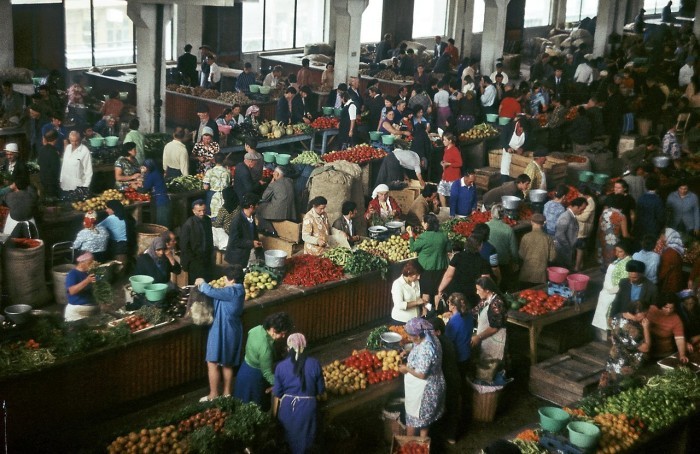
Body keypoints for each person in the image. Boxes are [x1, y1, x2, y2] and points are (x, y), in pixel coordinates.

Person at [196, 265, 246, 401]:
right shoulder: (240, 289)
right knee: (227, 363)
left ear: (232, 280)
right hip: (232, 328)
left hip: (223, 328)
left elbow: (210, 290)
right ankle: (227, 393)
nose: (224, 280)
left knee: (212, 361)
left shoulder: (232, 291)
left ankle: (213, 395)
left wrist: (201, 282)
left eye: (226, 278)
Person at [273, 333, 325, 454]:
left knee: (288, 443)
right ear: (305, 347)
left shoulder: (280, 367)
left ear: (288, 348)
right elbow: (321, 390)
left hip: (287, 410)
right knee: (306, 445)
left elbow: (278, 393)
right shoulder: (315, 363)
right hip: (308, 409)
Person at [234, 312, 294, 410]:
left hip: (244, 370)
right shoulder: (266, 349)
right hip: (254, 378)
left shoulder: (256, 329)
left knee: (241, 403)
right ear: (274, 330)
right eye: (282, 333)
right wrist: (281, 384)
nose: (283, 336)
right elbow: (267, 374)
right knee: (255, 408)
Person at [398, 317, 446, 438]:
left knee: (413, 420)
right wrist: (410, 352)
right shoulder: (429, 336)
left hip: (425, 392)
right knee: (425, 421)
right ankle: (423, 443)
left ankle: (410, 444)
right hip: (434, 385)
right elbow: (419, 348)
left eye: (410, 336)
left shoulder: (426, 349)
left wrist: (406, 368)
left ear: (418, 336)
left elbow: (422, 374)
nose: (409, 338)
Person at [598, 298, 652, 388]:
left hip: (614, 357)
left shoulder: (616, 317)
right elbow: (646, 348)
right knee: (624, 388)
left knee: (609, 385)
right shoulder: (634, 329)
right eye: (645, 314)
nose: (646, 317)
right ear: (638, 313)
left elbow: (612, 335)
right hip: (627, 363)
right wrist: (646, 328)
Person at [592, 239, 634, 338]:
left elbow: (624, 282)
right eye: (616, 251)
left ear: (626, 251)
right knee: (602, 314)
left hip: (614, 293)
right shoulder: (620, 260)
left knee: (609, 316)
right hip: (607, 290)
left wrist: (611, 290)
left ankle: (611, 337)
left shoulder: (628, 263)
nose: (617, 253)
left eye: (620, 251)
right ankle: (604, 335)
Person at [437, 236, 491, 308]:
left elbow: (448, 275)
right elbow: (485, 281)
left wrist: (440, 289)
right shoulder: (483, 262)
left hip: (456, 292)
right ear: (479, 246)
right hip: (472, 294)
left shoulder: (457, 257)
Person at [407, 214, 449, 306]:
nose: (422, 224)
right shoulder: (443, 235)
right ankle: (438, 312)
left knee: (426, 293)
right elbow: (449, 248)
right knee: (438, 291)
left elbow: (413, 248)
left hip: (427, 269)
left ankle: (426, 314)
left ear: (427, 224)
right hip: (440, 267)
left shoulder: (424, 237)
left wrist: (411, 236)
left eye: (423, 222)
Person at [441, 292, 473, 395]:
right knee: (463, 380)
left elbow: (448, 340)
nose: (448, 305)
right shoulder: (468, 315)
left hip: (457, 356)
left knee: (454, 385)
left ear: (453, 306)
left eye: (449, 303)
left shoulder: (454, 321)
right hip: (467, 353)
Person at [471, 276, 508, 363]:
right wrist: (457, 312)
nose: (477, 292)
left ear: (487, 290)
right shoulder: (484, 301)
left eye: (479, 290)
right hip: (486, 339)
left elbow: (494, 327)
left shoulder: (496, 304)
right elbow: (473, 312)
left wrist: (478, 337)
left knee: (494, 366)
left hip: (495, 340)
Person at [180, 199, 214, 284]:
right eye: (199, 211)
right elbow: (184, 245)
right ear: (194, 211)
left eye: (204, 210)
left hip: (206, 258)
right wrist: (192, 259)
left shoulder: (207, 220)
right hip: (195, 260)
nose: (202, 213)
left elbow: (210, 238)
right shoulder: (188, 225)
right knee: (197, 285)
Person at [647, 294, 688, 363]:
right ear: (660, 305)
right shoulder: (651, 310)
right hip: (647, 351)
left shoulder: (676, 319)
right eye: (665, 307)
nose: (668, 310)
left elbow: (679, 339)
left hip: (664, 353)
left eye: (671, 308)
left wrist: (682, 355)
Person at [519, 213, 556, 287]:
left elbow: (521, 255)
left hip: (526, 274)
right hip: (541, 276)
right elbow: (552, 258)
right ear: (543, 224)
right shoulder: (547, 238)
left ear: (531, 222)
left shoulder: (526, 237)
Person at [486, 204, 519, 287]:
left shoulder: (486, 226)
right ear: (504, 215)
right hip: (503, 263)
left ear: (491, 214)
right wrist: (515, 262)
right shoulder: (508, 229)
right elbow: (514, 250)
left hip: (487, 262)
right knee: (503, 286)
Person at [225, 193, 262, 268]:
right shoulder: (237, 221)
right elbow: (234, 241)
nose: (258, 207)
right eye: (257, 204)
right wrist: (251, 243)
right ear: (251, 206)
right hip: (237, 258)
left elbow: (253, 234)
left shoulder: (251, 217)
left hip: (247, 254)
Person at [257, 166, 296, 235]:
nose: (273, 174)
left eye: (274, 173)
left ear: (277, 174)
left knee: (259, 208)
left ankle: (270, 230)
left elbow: (264, 197)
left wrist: (271, 183)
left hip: (279, 214)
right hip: (290, 214)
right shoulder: (291, 181)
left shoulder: (274, 184)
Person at [64, 252, 99, 322]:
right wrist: (87, 281)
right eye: (90, 263)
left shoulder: (90, 273)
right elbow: (72, 291)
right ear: (81, 263)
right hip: (77, 309)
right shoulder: (73, 274)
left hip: (92, 308)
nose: (92, 265)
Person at [598, 194, 630, 270]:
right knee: (611, 263)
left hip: (602, 239)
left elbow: (600, 226)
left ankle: (603, 269)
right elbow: (625, 235)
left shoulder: (604, 212)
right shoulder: (621, 216)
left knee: (603, 260)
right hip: (613, 242)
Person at [99, 200, 136, 266]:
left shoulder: (111, 218)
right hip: (127, 243)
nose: (106, 210)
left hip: (117, 246)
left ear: (113, 209)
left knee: (118, 265)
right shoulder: (126, 215)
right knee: (122, 264)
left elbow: (97, 228)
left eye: (108, 208)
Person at [555, 196, 588, 268]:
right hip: (562, 250)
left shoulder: (571, 216)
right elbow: (559, 235)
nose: (582, 212)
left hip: (567, 249)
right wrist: (568, 246)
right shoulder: (565, 217)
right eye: (582, 209)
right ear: (576, 207)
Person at [140, 159, 170, 228]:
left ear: (148, 167)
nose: (142, 169)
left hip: (161, 201)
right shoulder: (155, 171)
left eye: (144, 167)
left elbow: (144, 189)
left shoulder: (152, 175)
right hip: (161, 199)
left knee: (161, 225)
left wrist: (135, 187)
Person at [501, 117, 531, 185]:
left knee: (517, 174)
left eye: (523, 131)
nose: (521, 132)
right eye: (520, 130)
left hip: (519, 156)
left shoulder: (527, 130)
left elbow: (529, 142)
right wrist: (507, 148)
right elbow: (502, 140)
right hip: (507, 154)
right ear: (518, 124)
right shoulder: (508, 127)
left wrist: (522, 148)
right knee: (505, 172)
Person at [634, 174, 664, 240]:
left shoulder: (641, 198)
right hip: (653, 229)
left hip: (642, 229)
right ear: (657, 186)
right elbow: (660, 217)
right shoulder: (658, 200)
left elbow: (637, 215)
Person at [574, 186, 596, 272]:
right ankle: (580, 264)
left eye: (580, 194)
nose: (578, 195)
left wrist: (574, 215)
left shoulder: (590, 203)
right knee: (579, 247)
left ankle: (577, 267)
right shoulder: (585, 200)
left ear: (585, 195)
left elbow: (584, 217)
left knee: (580, 248)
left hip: (584, 229)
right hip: (579, 228)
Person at [658, 228, 685, 295]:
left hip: (669, 284)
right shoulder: (676, 249)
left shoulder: (670, 252)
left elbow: (663, 272)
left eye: (662, 236)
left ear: (668, 236)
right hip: (676, 282)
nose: (660, 238)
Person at [438, 132, 462, 208]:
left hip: (453, 177)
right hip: (446, 176)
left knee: (453, 196)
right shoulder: (446, 149)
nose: (443, 141)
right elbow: (446, 160)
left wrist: (449, 164)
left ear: (450, 140)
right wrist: (443, 163)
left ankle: (453, 212)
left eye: (445, 140)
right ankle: (444, 209)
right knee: (440, 191)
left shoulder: (455, 150)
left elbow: (460, 163)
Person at [203, 153, 230, 218]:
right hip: (224, 196)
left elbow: (205, 187)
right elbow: (228, 185)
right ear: (224, 160)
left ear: (214, 161)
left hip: (212, 196)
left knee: (212, 217)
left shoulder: (209, 172)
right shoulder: (227, 172)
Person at [37, 130, 61, 199]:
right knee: (53, 200)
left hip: (43, 179)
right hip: (52, 181)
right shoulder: (54, 152)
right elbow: (56, 168)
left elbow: (39, 162)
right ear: (55, 139)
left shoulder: (42, 149)